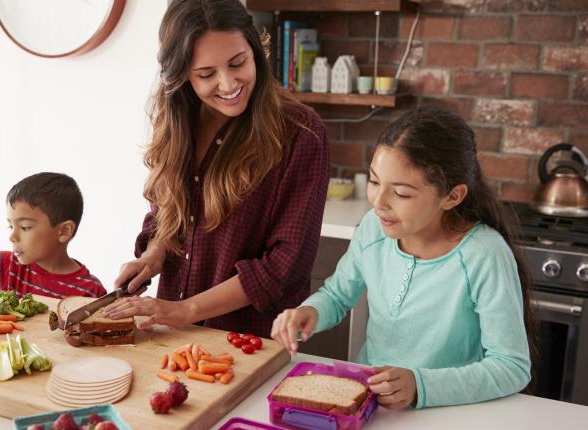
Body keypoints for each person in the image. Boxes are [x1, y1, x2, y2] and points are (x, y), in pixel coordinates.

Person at [271, 108, 534, 410]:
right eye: (374, 181)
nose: (379, 202)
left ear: (452, 196)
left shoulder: (484, 255)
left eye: (401, 193)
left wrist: (420, 386)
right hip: (371, 405)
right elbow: (337, 294)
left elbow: (511, 366)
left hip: (449, 412)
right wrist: (311, 312)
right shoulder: (373, 228)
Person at [105, 0, 330, 338]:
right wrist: (153, 255)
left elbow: (285, 265)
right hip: (173, 337)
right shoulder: (176, 121)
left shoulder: (301, 133)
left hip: (250, 343)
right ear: (182, 76)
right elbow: (167, 212)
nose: (228, 84)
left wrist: (187, 309)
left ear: (255, 51)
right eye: (206, 74)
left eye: (237, 63)